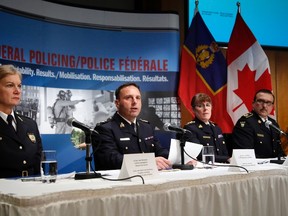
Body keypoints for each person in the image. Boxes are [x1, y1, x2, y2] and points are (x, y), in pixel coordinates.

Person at [92, 82, 173, 170]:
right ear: (117, 103)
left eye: (138, 98)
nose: (134, 102)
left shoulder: (146, 127)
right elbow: (112, 160)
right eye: (128, 98)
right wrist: (148, 163)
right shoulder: (104, 129)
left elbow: (159, 151)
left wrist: (181, 159)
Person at [0, 64, 43, 178]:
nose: (17, 91)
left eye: (19, 86)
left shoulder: (30, 124)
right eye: (10, 85)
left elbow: (37, 165)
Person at [232, 89, 284, 158]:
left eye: (268, 103)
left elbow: (279, 151)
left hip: (274, 165)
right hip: (256, 166)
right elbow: (245, 154)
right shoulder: (246, 122)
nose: (264, 106)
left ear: (272, 106)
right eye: (260, 101)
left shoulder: (273, 123)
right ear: (253, 104)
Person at [183, 93, 230, 163]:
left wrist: (228, 160)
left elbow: (224, 152)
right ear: (193, 110)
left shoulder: (216, 128)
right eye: (200, 106)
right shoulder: (190, 128)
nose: (205, 108)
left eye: (208, 105)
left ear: (211, 107)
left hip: (222, 166)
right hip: (204, 167)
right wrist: (226, 159)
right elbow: (198, 153)